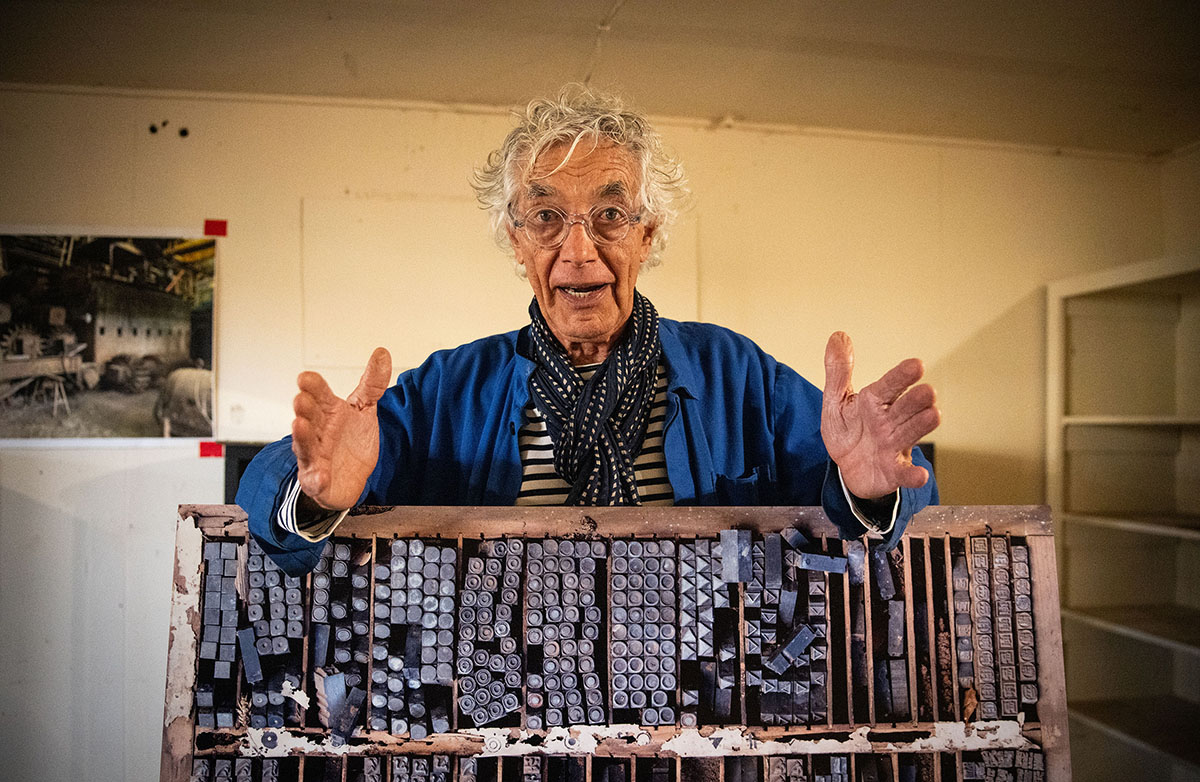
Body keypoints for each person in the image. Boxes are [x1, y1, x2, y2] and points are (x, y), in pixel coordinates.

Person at [237, 86, 939, 576]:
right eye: (546, 217)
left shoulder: (734, 372)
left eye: (610, 215)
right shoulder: (454, 389)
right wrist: (318, 494)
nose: (578, 251)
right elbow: (276, 488)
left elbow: (883, 492)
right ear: (515, 241)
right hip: (507, 712)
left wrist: (870, 490)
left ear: (648, 235)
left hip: (702, 708)